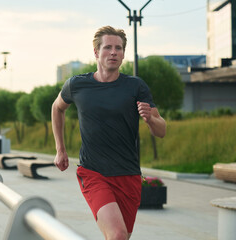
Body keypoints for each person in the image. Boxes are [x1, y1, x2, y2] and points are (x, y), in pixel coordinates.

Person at [51, 26, 166, 240]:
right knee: (117, 235)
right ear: (96, 52)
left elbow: (161, 130)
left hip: (128, 175)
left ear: (123, 54)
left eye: (119, 48)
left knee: (119, 237)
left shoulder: (135, 86)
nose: (114, 52)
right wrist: (60, 149)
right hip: (93, 173)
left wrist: (150, 118)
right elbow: (57, 108)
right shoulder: (77, 85)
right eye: (108, 47)